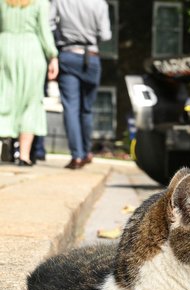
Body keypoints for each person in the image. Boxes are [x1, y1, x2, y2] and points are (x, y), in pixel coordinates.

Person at [50, 0, 111, 169]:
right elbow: (106, 35)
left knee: (71, 108)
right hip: (91, 57)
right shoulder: (100, 4)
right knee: (87, 109)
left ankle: (76, 156)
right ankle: (86, 152)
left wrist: (62, 35)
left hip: (68, 55)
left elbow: (49, 24)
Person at [0, 0, 58, 167]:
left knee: (4, 97)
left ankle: (4, 150)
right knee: (30, 102)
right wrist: (52, 55)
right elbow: (44, 31)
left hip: (4, 49)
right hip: (32, 52)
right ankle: (24, 156)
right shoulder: (40, 3)